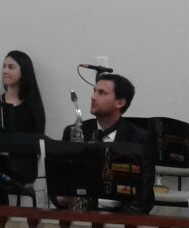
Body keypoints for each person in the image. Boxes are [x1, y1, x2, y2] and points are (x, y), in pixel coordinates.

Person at [59, 73, 152, 212]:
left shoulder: (140, 138)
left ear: (120, 102)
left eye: (102, 92)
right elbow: (59, 180)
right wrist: (60, 197)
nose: (93, 97)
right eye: (94, 91)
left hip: (122, 217)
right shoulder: (74, 132)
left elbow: (144, 192)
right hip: (80, 215)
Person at [0, 50, 46, 203]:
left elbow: (35, 144)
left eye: (11, 67)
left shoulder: (31, 108)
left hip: (20, 168)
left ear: (24, 72)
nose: (5, 71)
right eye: (4, 66)